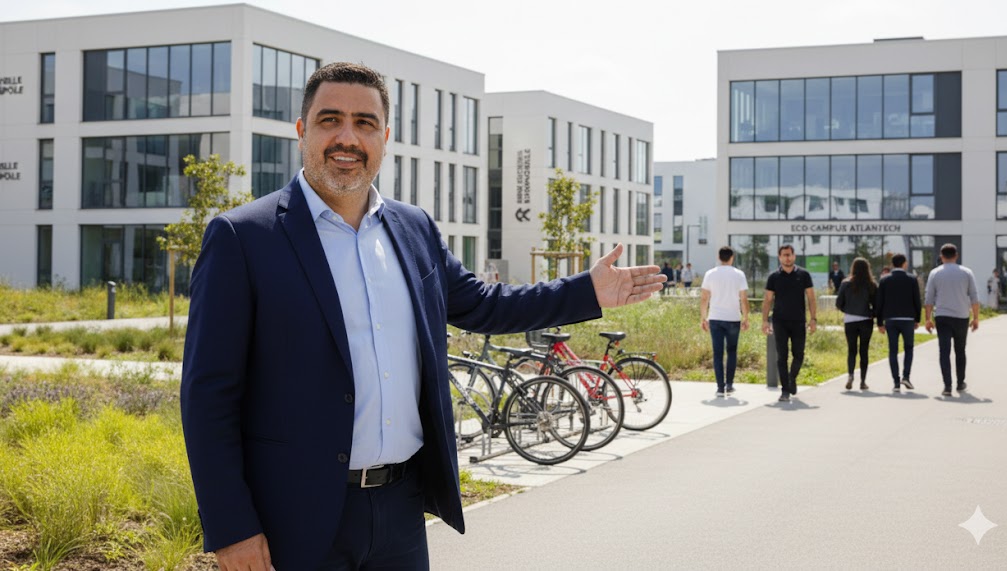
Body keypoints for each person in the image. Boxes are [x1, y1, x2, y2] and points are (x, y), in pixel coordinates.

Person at [180, 62, 666, 571]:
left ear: (385, 138)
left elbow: (484, 305)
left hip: (401, 512)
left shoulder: (412, 228)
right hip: (293, 517)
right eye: (330, 120)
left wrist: (585, 291)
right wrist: (232, 527)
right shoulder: (243, 238)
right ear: (302, 130)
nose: (347, 137)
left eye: (365, 123)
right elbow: (208, 395)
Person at [761, 244, 817, 402]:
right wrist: (765, 321)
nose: (787, 257)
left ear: (794, 256)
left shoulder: (804, 275)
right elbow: (767, 300)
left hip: (799, 321)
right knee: (782, 356)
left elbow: (811, 298)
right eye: (784, 255)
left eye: (789, 254)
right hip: (780, 322)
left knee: (799, 354)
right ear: (779, 257)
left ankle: (792, 378)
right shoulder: (773, 277)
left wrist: (813, 319)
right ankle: (785, 390)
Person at [924, 244, 980, 396]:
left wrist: (928, 319)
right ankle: (960, 382)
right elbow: (974, 297)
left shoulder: (935, 273)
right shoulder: (967, 272)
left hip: (942, 316)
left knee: (944, 351)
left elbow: (928, 299)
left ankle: (947, 386)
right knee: (960, 350)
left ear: (941, 257)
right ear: (956, 256)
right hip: (962, 316)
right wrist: (975, 318)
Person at [700, 246, 750, 397]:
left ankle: (720, 388)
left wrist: (703, 317)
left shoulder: (710, 274)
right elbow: (744, 299)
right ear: (732, 257)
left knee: (717, 353)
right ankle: (729, 384)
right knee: (732, 352)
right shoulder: (739, 274)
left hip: (715, 318)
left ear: (719, 257)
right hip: (733, 318)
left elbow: (704, 298)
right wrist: (746, 317)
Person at [875, 253, 922, 393]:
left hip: (890, 320)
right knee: (909, 349)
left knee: (893, 351)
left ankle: (896, 382)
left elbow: (879, 303)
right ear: (904, 263)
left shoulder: (884, 280)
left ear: (892, 264)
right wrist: (917, 319)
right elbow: (917, 301)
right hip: (908, 319)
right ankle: (906, 377)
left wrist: (879, 323)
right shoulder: (912, 279)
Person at [835, 257, 876, 391]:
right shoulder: (871, 284)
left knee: (851, 350)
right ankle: (863, 381)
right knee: (864, 351)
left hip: (850, 320)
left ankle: (850, 375)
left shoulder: (846, 283)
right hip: (866, 320)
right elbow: (877, 304)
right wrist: (871, 313)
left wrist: (848, 310)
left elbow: (838, 303)